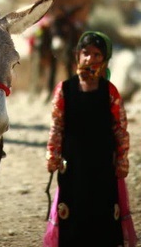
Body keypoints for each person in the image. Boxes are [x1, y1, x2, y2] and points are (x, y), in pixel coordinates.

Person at [44, 31, 133, 247]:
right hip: (72, 165)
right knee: (72, 215)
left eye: (96, 55)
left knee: (102, 215)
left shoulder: (110, 92)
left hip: (103, 166)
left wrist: (122, 158)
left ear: (105, 60)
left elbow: (120, 128)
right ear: (77, 55)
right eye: (85, 53)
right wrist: (53, 154)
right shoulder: (64, 90)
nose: (89, 59)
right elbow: (57, 126)